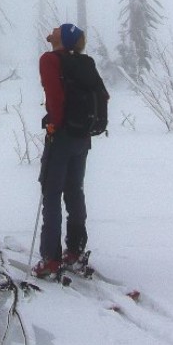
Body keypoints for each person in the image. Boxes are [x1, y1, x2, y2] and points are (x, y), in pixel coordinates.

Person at [33, 22, 108, 279]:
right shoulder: (83, 63)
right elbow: (103, 96)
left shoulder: (50, 60)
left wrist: (54, 122)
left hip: (62, 136)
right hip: (82, 138)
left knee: (51, 192)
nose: (52, 30)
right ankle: (75, 252)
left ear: (63, 39)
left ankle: (50, 260)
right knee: (74, 191)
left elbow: (55, 96)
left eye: (57, 29)